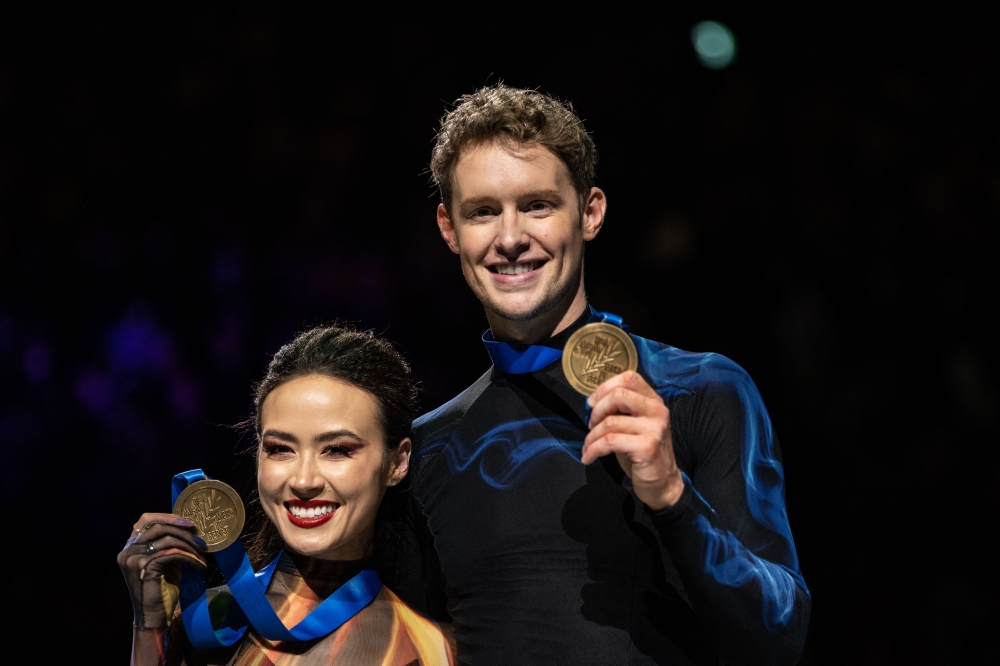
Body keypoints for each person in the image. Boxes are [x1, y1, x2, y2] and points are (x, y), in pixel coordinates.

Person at [395, 85, 811, 665]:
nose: (511, 238)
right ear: (449, 229)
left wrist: (670, 495)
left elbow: (779, 635)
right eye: (483, 211)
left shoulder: (702, 391)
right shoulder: (431, 449)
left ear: (590, 212)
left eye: (538, 205)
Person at [119, 325, 454, 665]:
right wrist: (149, 625)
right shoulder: (206, 622)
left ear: (397, 462)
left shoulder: (428, 650)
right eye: (280, 449)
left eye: (337, 450)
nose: (304, 480)